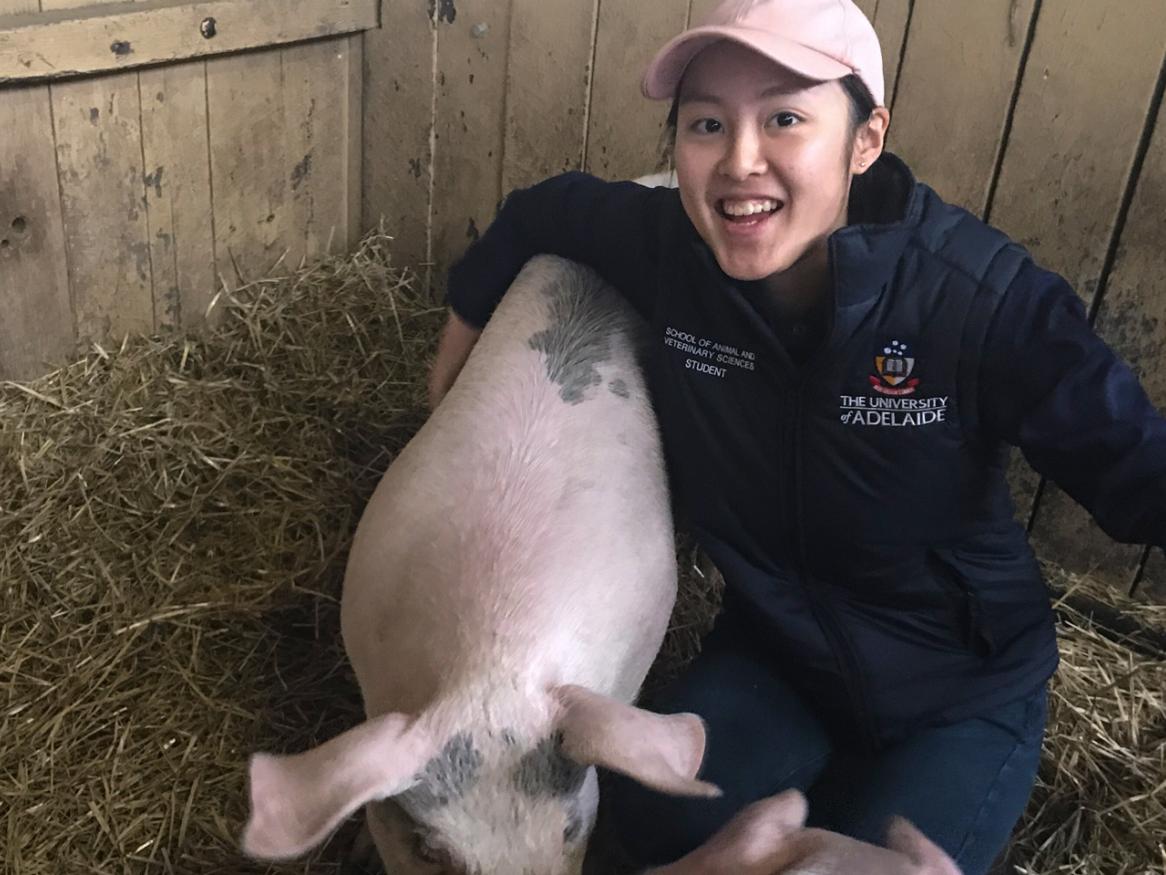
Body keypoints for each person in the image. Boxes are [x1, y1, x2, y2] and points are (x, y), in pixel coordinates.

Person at [427, 1, 1166, 872]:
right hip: (776, 654)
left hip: (958, 687)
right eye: (707, 124)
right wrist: (442, 397)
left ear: (865, 139)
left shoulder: (976, 301)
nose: (740, 160)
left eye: (784, 118)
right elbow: (534, 215)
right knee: (643, 818)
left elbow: (1138, 469)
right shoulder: (670, 252)